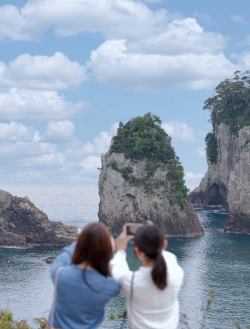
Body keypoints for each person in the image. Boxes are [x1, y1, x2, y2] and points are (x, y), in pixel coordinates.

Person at [110, 223, 184, 329]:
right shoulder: (176, 274)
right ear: (164, 244)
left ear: (137, 251)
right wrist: (154, 236)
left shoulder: (131, 283)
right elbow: (166, 256)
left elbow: (117, 268)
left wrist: (121, 250)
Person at [48, 222, 120, 329]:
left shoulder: (59, 274)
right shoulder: (110, 286)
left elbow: (67, 254)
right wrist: (118, 251)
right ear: (107, 250)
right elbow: (119, 273)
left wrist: (83, 240)